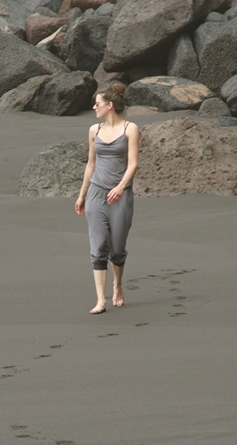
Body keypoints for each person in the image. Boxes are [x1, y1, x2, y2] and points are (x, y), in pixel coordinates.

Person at [75, 82, 140, 314]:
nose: (94, 107)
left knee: (118, 247)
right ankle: (101, 300)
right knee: (98, 245)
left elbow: (133, 163)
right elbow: (91, 164)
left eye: (98, 104)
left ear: (109, 105)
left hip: (120, 195)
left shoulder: (130, 129)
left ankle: (118, 285)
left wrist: (121, 187)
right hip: (96, 193)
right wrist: (82, 195)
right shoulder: (94, 131)